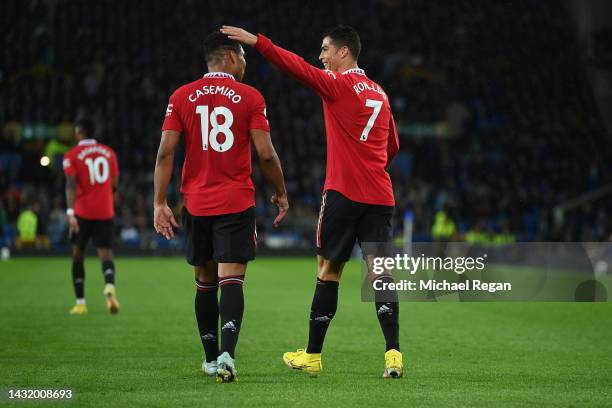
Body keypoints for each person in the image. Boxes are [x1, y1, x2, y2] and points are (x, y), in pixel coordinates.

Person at [221, 25, 402, 378]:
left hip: (343, 193)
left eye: (325, 49)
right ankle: (393, 355)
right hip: (380, 196)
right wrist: (371, 169)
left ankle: (314, 356)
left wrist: (260, 43)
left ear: (344, 52)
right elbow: (392, 146)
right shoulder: (380, 93)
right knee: (381, 273)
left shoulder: (337, 85)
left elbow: (295, 66)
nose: (321, 56)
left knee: (328, 271)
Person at [153, 32, 288, 383]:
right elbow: (266, 153)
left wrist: (158, 203)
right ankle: (228, 355)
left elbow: (166, 152)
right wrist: (281, 191)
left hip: (195, 203)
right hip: (235, 201)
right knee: (232, 280)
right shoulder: (250, 97)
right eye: (243, 57)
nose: (245, 63)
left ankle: (211, 358)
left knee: (204, 283)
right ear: (229, 56)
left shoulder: (181, 96)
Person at [63, 118, 120, 315]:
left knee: (78, 255)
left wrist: (70, 213)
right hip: (105, 211)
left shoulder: (72, 155)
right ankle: (110, 285)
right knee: (105, 254)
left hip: (82, 212)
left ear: (79, 132)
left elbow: (70, 185)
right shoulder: (109, 153)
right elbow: (114, 185)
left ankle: (80, 303)